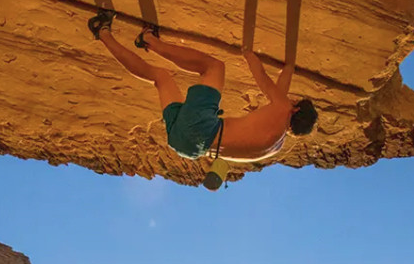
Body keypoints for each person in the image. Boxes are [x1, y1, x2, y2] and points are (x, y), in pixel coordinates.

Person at [90, 11, 317, 188]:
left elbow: (264, 81)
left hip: (203, 128)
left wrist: (248, 54)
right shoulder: (275, 146)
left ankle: (150, 40)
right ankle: (102, 32)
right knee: (160, 77)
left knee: (214, 67)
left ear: (296, 110)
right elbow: (280, 93)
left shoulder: (284, 108)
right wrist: (289, 68)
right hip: (189, 147)